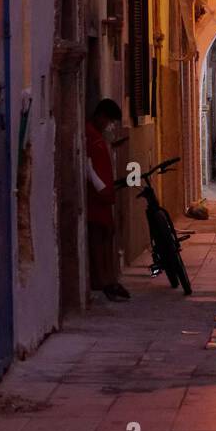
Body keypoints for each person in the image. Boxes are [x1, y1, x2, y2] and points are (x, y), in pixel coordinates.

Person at [85, 99, 130, 301]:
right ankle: (101, 280)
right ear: (101, 115)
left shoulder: (98, 138)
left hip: (103, 197)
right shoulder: (90, 136)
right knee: (98, 237)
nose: (109, 125)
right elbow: (88, 166)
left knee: (106, 235)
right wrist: (101, 189)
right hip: (97, 198)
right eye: (109, 121)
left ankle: (107, 278)